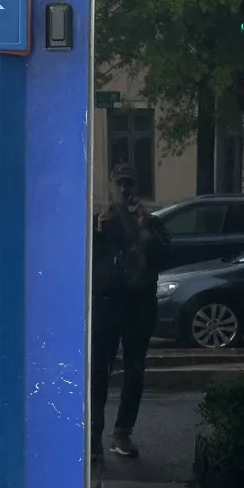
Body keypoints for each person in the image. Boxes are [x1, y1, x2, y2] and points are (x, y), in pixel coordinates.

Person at [90, 163, 170, 460]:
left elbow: (166, 256)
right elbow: (82, 260)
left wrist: (148, 226)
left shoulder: (149, 221)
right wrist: (98, 233)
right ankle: (94, 438)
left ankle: (121, 434)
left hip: (139, 306)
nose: (125, 190)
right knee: (99, 372)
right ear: (111, 186)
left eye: (129, 184)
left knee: (134, 372)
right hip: (108, 305)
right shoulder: (101, 220)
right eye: (120, 184)